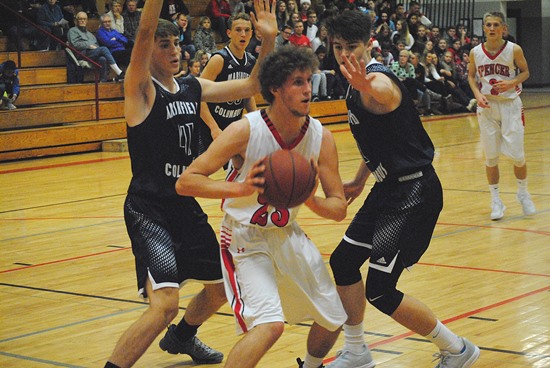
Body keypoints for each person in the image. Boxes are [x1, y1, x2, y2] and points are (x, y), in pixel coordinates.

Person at [102, 0, 276, 367]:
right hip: (149, 209)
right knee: (164, 305)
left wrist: (269, 40)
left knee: (220, 288)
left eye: (176, 43)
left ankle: (182, 338)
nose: (174, 50)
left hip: (184, 205)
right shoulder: (141, 90)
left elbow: (253, 83)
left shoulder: (191, 86)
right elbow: (144, 32)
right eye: (164, 45)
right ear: (149, 52)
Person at [174, 45, 348, 368]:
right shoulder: (245, 129)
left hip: (286, 234)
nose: (308, 89)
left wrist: (309, 199)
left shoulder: (321, 138)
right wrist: (241, 187)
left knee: (335, 317)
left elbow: (338, 208)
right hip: (244, 239)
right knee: (270, 326)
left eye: (309, 80)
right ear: (275, 89)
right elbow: (186, 181)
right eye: (297, 82)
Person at [325, 10, 480, 368]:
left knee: (379, 290)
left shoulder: (377, 80)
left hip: (414, 194)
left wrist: (365, 84)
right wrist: (360, 179)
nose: (346, 54)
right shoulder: (354, 81)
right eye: (337, 47)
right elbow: (385, 136)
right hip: (388, 189)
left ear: (369, 45)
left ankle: (458, 349)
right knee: (344, 262)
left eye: (353, 46)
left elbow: (384, 94)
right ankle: (357, 353)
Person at [468, 11, 535, 220]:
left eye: (496, 25)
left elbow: (525, 72)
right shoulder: (475, 52)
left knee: (517, 156)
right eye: (488, 25)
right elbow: (471, 75)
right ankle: (495, 200)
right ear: (484, 28)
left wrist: (511, 83)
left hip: (510, 105)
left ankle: (523, 193)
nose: (491, 28)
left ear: (504, 29)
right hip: (487, 107)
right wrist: (477, 94)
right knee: (491, 158)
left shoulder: (513, 49)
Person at [198, 12, 258, 153]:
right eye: (238, 30)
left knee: (243, 167)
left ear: (251, 34)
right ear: (229, 33)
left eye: (247, 30)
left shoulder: (251, 61)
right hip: (209, 128)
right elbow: (198, 95)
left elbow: (248, 95)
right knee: (200, 172)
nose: (243, 34)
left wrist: (256, 120)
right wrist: (213, 128)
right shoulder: (219, 59)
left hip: (232, 127)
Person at [68, 12, 125, 82]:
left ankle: (103, 81)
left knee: (102, 59)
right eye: (80, 19)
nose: (83, 21)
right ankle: (119, 72)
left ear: (87, 21)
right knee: (104, 49)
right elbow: (75, 44)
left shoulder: (89, 34)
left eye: (84, 19)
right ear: (76, 21)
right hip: (81, 53)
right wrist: (88, 45)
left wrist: (95, 47)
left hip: (92, 53)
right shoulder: (72, 31)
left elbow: (96, 45)